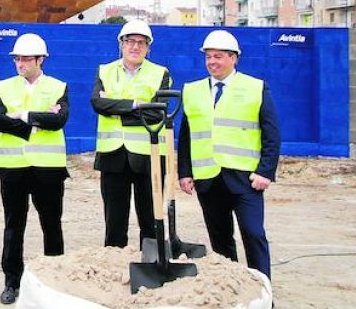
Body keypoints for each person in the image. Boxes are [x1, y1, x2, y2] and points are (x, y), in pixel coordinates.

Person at [178, 29, 280, 280]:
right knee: (220, 241)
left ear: (234, 58)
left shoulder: (255, 88)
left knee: (253, 234)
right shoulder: (192, 90)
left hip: (246, 179)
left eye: (219, 56)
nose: (212, 62)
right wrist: (185, 173)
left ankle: (262, 292)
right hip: (208, 179)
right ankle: (232, 288)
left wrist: (266, 171)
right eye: (208, 56)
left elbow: (271, 133)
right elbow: (186, 135)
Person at [0, 33, 69, 305]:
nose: (20, 63)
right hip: (12, 168)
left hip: (48, 169)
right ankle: (12, 283)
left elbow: (59, 120)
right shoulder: (4, 86)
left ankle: (56, 281)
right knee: (14, 226)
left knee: (51, 225)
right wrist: (39, 119)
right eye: (17, 59)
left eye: (26, 59)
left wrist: (22, 116)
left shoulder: (58, 86)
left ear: (40, 60)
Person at [90, 19, 171, 248]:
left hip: (149, 157)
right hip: (112, 156)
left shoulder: (160, 74)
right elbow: (98, 104)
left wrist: (117, 108)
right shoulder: (104, 71)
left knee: (151, 219)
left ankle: (153, 265)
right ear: (121, 44)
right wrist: (138, 105)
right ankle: (115, 266)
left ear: (148, 47)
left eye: (141, 43)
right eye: (130, 42)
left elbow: (158, 114)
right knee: (114, 221)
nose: (135, 47)